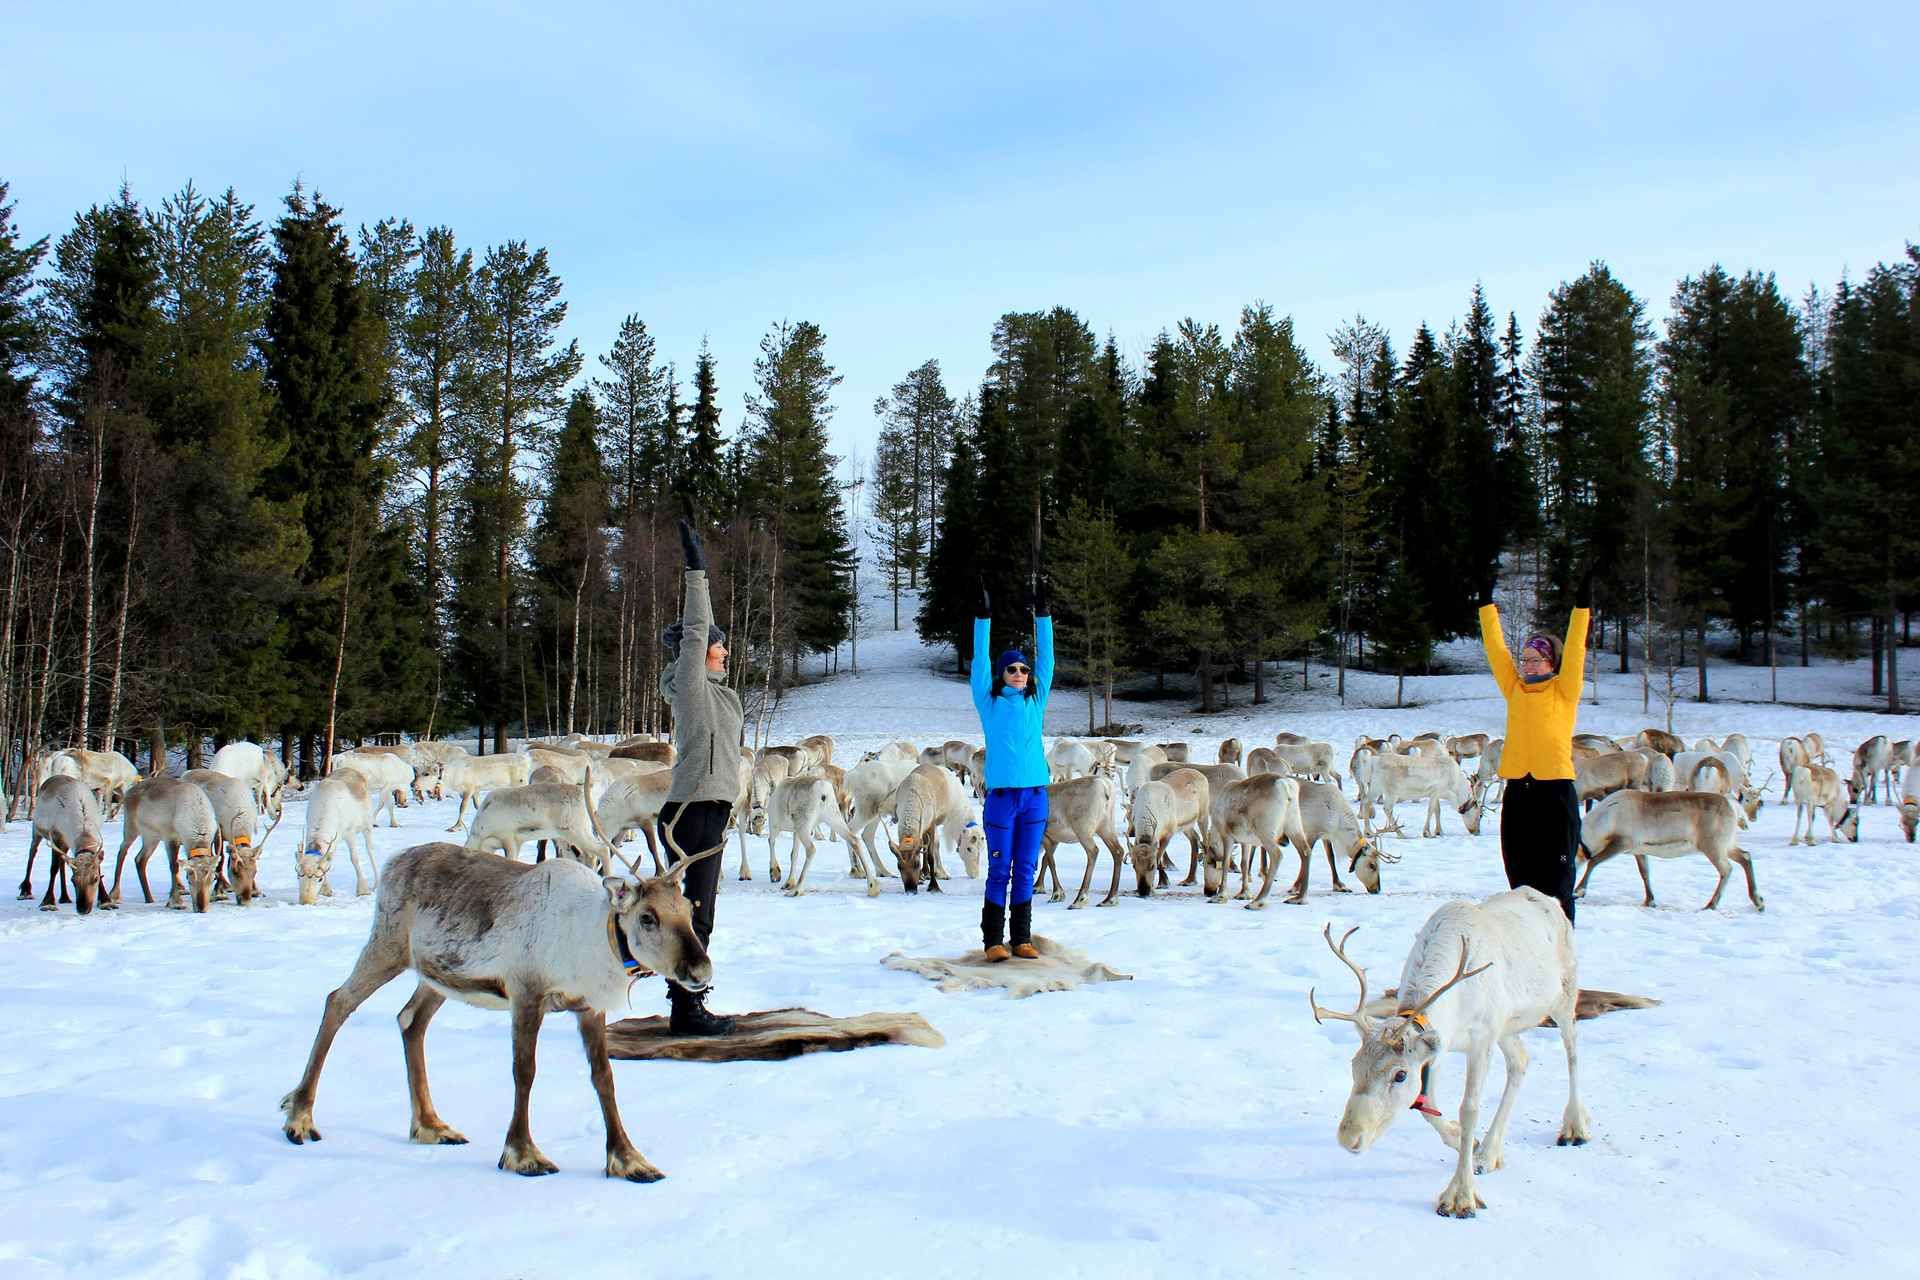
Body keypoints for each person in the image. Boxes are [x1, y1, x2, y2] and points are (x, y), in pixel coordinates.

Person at [655, 513, 741, 1035]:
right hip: (693, 810)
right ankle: (688, 1010)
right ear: (698, 651)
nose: (725, 650)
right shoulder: (692, 686)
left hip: (711, 810)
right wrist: (696, 570)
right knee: (694, 915)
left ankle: (687, 1004)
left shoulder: (718, 694)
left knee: (696, 912)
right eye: (718, 643)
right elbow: (694, 630)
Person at [1478, 571, 1592, 927]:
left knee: (1557, 885)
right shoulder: (1515, 689)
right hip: (1518, 795)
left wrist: (1582, 606)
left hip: (1554, 793)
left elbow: (1575, 647)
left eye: (1534, 660)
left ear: (1551, 664)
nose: (1526, 666)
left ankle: (1562, 951)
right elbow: (1496, 651)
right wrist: (1486, 605)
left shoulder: (1564, 690)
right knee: (1520, 882)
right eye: (1524, 659)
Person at [969, 561, 1054, 962]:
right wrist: (983, 617)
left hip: (1036, 797)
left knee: (1025, 868)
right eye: (1012, 669)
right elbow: (979, 666)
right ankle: (992, 942)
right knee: (999, 870)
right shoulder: (989, 703)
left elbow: (1048, 662)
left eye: (1023, 668)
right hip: (1002, 798)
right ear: (1002, 675)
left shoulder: (1036, 700)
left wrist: (1043, 615)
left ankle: (1022, 938)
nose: (1020, 673)